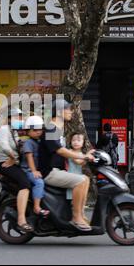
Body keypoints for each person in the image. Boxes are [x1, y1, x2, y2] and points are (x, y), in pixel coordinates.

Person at [39, 99, 95, 231]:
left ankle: (80, 214)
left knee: (86, 179)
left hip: (57, 170)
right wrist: (82, 156)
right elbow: (60, 150)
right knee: (81, 181)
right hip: (49, 172)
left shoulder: (58, 129)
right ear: (59, 111)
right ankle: (76, 218)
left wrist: (87, 154)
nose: (71, 111)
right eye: (68, 109)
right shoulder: (51, 128)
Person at [0, 108, 33, 233]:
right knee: (25, 184)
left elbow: (19, 145)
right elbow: (4, 146)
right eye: (17, 117)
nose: (20, 120)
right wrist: (12, 158)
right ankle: (21, 219)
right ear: (9, 118)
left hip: (12, 162)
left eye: (21, 117)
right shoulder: (4, 129)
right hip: (4, 163)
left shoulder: (13, 132)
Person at [21, 115, 50, 217]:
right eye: (35, 130)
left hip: (36, 170)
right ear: (28, 131)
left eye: (40, 129)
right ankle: (37, 207)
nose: (38, 132)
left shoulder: (39, 142)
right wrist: (33, 171)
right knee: (39, 183)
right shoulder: (28, 143)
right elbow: (30, 157)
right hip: (28, 171)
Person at [66, 132, 91, 224]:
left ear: (83, 143)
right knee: (75, 200)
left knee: (83, 198)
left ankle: (81, 213)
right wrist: (87, 155)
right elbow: (78, 161)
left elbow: (84, 162)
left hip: (79, 176)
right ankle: (76, 216)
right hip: (72, 176)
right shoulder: (71, 152)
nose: (76, 142)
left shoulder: (81, 153)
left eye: (78, 140)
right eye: (74, 140)